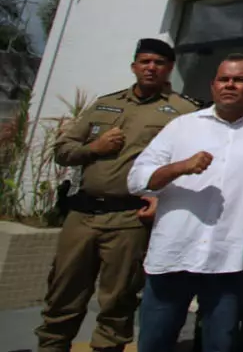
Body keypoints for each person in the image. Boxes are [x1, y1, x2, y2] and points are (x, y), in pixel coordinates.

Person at [35, 38, 199, 352]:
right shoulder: (105, 104)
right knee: (62, 292)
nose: (151, 67)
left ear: (170, 68)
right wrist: (92, 149)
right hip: (82, 216)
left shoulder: (183, 112)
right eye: (145, 61)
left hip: (130, 218)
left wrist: (161, 199)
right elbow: (62, 150)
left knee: (118, 299)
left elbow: (191, 166)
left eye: (159, 62)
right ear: (134, 66)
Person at [127, 53, 243, 352]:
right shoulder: (182, 126)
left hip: (228, 258)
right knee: (153, 343)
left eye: (240, 80)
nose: (230, 85)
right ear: (213, 85)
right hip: (173, 254)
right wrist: (179, 167)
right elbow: (137, 179)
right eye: (224, 79)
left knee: (220, 344)